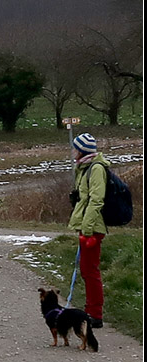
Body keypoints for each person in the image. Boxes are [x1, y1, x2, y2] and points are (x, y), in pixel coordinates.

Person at [68, 132, 110, 328]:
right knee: (86, 270)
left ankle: (95, 314)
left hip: (93, 228)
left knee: (90, 271)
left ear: (82, 150)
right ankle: (90, 309)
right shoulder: (83, 168)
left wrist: (87, 228)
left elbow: (96, 200)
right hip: (87, 227)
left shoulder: (96, 169)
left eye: (75, 148)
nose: (72, 151)